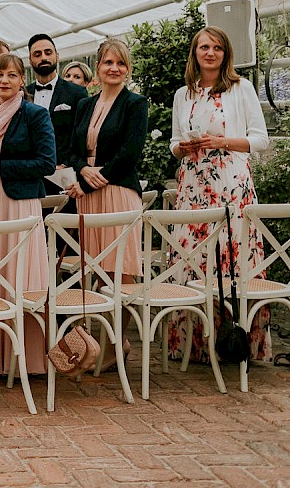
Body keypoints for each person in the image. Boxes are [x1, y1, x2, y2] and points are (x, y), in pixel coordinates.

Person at [167, 26, 271, 363]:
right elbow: (173, 144)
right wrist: (183, 147)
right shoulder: (184, 95)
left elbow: (260, 139)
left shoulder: (241, 89)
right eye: (203, 47)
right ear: (194, 53)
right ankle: (194, 346)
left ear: (225, 54)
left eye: (217, 48)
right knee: (192, 259)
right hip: (193, 186)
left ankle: (238, 343)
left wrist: (223, 142)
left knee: (233, 261)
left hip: (231, 185)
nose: (210, 53)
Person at [0, 54, 55, 376]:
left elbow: (46, 163)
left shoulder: (34, 114)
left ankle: (26, 360)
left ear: (22, 80)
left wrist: (1, 167)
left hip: (19, 203)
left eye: (12, 75)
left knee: (19, 276)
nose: (4, 80)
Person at [65, 39, 148, 368]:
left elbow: (131, 152)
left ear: (127, 69)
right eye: (108, 62)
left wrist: (90, 179)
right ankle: (108, 341)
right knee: (96, 270)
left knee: (120, 271)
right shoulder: (85, 105)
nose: (114, 68)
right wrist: (83, 169)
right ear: (97, 69)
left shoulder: (135, 103)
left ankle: (117, 344)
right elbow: (72, 150)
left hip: (118, 193)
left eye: (121, 63)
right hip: (90, 195)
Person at [25, 34, 88, 175]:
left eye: (48, 53)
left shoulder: (77, 93)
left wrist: (66, 164)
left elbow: (81, 134)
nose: (43, 58)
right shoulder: (23, 95)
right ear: (30, 60)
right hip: (29, 174)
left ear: (57, 55)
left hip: (65, 173)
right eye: (37, 54)